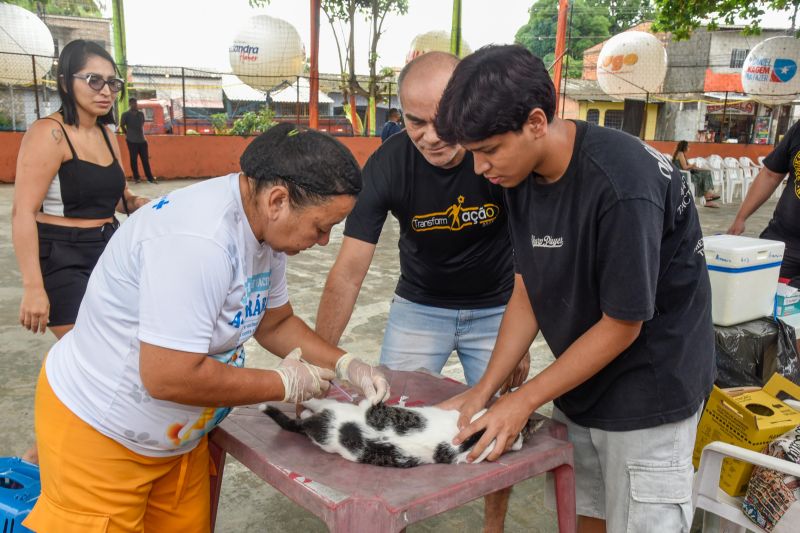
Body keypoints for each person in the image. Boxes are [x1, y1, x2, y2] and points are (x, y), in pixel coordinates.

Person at [22, 123, 389, 533]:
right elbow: (168, 376)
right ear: (278, 200)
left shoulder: (265, 229)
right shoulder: (198, 243)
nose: (322, 241)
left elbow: (276, 321)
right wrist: (281, 384)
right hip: (101, 435)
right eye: (321, 227)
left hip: (175, 439)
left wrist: (348, 365)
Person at [435, 45, 715, 533]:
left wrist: (522, 400)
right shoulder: (517, 173)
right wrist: (482, 391)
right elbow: (528, 287)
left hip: (651, 385)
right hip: (581, 376)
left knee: (637, 521)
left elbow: (624, 325)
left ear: (537, 122)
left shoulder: (623, 185)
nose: (480, 169)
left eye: (489, 150)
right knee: (583, 512)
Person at [315, 51, 529, 533]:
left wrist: (519, 342)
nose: (431, 136)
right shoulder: (388, 166)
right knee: (389, 420)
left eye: (444, 121)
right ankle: (396, 523)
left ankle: (493, 525)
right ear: (400, 114)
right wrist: (318, 357)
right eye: (415, 122)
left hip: (497, 307)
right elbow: (348, 271)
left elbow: (530, 255)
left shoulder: (496, 155)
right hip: (419, 308)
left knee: (498, 427)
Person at [12, 39, 150, 463]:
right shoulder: (48, 134)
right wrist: (34, 288)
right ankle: (42, 456)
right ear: (66, 81)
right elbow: (22, 213)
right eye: (94, 80)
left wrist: (143, 206)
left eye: (113, 82)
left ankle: (50, 455)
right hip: (62, 259)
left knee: (134, 353)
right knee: (95, 360)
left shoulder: (109, 135)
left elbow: (118, 195)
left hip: (108, 251)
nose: (105, 90)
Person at [729, 120, 800, 288]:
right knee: (756, 298)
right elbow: (771, 174)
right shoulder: (798, 129)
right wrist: (741, 217)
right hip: (782, 242)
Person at [119, 96, 157, 184]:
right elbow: (122, 125)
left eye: (136, 103)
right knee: (133, 160)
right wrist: (127, 134)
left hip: (142, 140)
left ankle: (150, 178)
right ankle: (136, 178)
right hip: (131, 141)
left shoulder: (141, 114)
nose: (135, 105)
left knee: (145, 160)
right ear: (130, 104)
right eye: (133, 103)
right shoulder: (125, 115)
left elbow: (142, 124)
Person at [672, 140, 720, 207]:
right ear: (684, 146)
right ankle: (707, 197)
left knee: (706, 173)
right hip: (683, 176)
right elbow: (685, 167)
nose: (689, 148)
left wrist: (702, 169)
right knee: (703, 176)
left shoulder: (682, 154)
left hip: (686, 174)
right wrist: (692, 165)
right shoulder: (680, 154)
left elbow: (690, 166)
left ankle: (708, 197)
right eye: (688, 146)